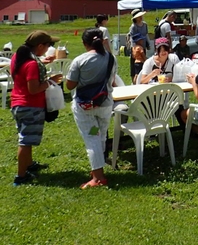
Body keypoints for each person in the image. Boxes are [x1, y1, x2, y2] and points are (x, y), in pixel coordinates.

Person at [66, 28, 117, 189]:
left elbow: (69, 85)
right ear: (102, 41)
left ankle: (98, 177)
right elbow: (112, 79)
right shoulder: (111, 59)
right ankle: (99, 166)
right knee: (99, 134)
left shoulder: (80, 60)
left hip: (85, 106)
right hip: (105, 104)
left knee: (92, 138)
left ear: (84, 43)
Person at [9, 31, 63, 186]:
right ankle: (21, 176)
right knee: (25, 141)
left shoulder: (17, 57)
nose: (49, 48)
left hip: (18, 103)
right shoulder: (32, 64)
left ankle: (29, 164)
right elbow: (33, 89)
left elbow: (24, 72)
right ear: (40, 46)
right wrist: (50, 81)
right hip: (30, 106)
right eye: (48, 45)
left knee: (27, 136)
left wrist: (43, 62)